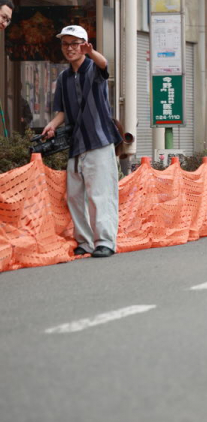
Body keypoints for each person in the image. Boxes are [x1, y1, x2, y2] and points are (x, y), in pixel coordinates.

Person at [41, 25, 121, 258]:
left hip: (98, 140)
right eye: (65, 44)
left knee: (100, 194)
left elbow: (104, 64)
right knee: (75, 196)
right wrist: (52, 125)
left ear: (84, 45)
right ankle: (84, 243)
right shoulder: (64, 77)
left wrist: (92, 52)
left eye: (75, 44)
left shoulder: (93, 68)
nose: (70, 48)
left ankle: (105, 242)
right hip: (76, 143)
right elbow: (62, 111)